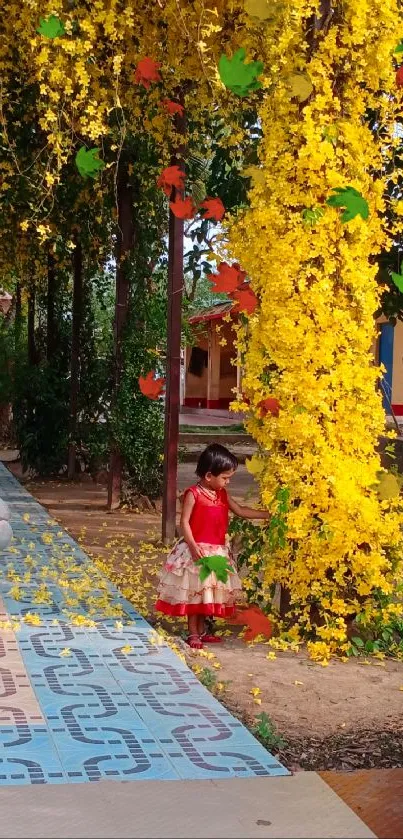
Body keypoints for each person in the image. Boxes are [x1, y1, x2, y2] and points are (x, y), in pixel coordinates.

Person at [155, 443, 270, 649]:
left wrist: (266, 515)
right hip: (196, 552)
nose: (227, 482)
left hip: (217, 551)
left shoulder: (222, 495)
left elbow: (241, 510)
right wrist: (192, 546)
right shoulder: (193, 494)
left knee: (209, 593)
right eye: (225, 478)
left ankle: (203, 631)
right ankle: (193, 633)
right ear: (209, 476)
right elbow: (185, 522)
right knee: (195, 594)